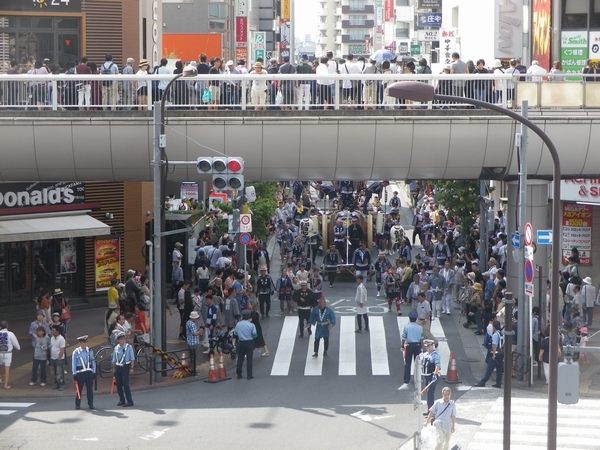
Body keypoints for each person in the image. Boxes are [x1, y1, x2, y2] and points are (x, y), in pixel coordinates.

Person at [399, 311, 424, 389]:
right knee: (417, 364)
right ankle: (417, 379)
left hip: (409, 346)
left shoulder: (406, 327)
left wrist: (402, 346)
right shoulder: (420, 328)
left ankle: (406, 380)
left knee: (408, 363)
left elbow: (403, 338)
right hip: (417, 346)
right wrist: (421, 347)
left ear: (409, 319)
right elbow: (421, 339)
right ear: (416, 319)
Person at [474, 320, 504, 388]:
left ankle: (483, 382)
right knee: (499, 369)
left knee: (489, 369)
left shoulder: (495, 335)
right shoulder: (502, 334)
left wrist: (493, 354)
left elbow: (494, 345)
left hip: (496, 353)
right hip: (501, 353)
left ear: (494, 327)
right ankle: (498, 383)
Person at [72, 335, 96, 410]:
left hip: (89, 372)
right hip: (80, 373)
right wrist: (74, 373)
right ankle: (77, 404)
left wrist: (94, 371)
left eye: (86, 342)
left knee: (89, 389)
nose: (85, 344)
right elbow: (74, 363)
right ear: (80, 343)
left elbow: (93, 361)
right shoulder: (76, 352)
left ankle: (91, 403)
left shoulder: (90, 351)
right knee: (79, 389)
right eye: (83, 342)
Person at [112, 332, 135, 406]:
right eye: (121, 339)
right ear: (118, 340)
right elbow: (114, 359)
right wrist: (113, 368)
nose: (123, 340)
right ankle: (122, 400)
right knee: (118, 385)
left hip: (125, 367)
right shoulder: (116, 348)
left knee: (125, 385)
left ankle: (130, 401)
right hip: (118, 367)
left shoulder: (128, 347)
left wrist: (132, 367)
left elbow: (132, 358)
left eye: (124, 339)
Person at [235, 309, 257, 379]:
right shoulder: (251, 325)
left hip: (241, 342)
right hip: (249, 342)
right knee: (249, 359)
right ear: (249, 316)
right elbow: (255, 335)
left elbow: (235, 333)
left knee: (240, 358)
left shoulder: (238, 324)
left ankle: (239, 373)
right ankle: (249, 375)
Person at [421, 339, 441, 410]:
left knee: (430, 393)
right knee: (428, 393)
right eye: (426, 346)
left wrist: (435, 374)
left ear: (432, 346)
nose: (427, 348)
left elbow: (437, 366)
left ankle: (431, 410)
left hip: (432, 376)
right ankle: (429, 409)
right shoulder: (425, 354)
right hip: (426, 376)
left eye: (429, 346)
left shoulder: (435, 355)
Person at [0, 321, 20, 390]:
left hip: (0, 352)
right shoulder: (10, 334)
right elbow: (17, 346)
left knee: (1, 366)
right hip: (8, 353)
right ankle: (6, 385)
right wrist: (18, 348)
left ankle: (2, 379)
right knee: (7, 368)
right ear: (7, 326)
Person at [186, 311, 204, 375]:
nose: (196, 319)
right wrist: (201, 330)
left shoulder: (188, 322)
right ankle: (193, 370)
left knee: (190, 357)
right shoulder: (192, 324)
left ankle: (189, 369)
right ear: (193, 318)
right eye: (196, 318)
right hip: (194, 343)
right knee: (194, 358)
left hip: (189, 342)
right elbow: (195, 334)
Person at [49, 324, 66, 391]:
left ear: (57, 331)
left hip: (59, 359)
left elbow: (62, 349)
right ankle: (56, 383)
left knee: (59, 372)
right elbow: (51, 348)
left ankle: (62, 384)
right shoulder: (52, 338)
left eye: (53, 330)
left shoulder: (61, 339)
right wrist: (51, 356)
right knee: (53, 372)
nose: (52, 332)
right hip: (52, 358)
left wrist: (59, 357)